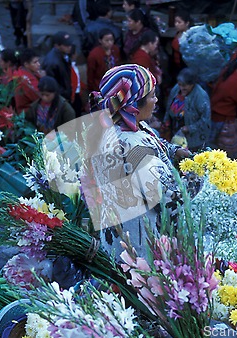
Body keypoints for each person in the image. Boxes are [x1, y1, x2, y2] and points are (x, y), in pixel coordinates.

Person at [87, 64, 190, 258]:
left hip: (117, 232)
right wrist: (199, 173)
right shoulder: (132, 145)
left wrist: (172, 150)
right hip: (137, 245)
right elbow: (169, 200)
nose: (156, 100)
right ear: (133, 104)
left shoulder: (114, 123)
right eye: (152, 96)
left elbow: (150, 144)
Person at [163, 68, 210, 151]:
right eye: (179, 84)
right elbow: (169, 105)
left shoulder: (201, 96)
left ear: (192, 84)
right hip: (174, 129)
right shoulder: (176, 89)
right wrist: (166, 120)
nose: (181, 88)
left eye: (184, 86)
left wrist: (189, 128)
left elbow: (205, 120)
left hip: (193, 138)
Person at [42, 31, 74, 103]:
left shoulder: (64, 54)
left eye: (70, 45)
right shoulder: (52, 62)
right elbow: (51, 84)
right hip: (59, 98)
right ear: (57, 45)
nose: (69, 47)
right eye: (66, 45)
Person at [87, 28, 121, 92]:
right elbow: (90, 75)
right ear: (100, 40)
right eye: (107, 40)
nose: (110, 43)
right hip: (100, 85)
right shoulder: (94, 55)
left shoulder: (115, 49)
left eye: (111, 40)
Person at [14, 48, 44, 114]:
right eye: (35, 62)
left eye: (38, 61)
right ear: (26, 64)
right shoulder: (26, 80)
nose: (39, 64)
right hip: (27, 112)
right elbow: (40, 98)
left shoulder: (22, 71)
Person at [170, 9, 192, 83]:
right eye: (175, 22)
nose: (176, 24)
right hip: (175, 66)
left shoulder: (190, 37)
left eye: (179, 22)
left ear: (187, 23)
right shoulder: (177, 34)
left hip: (184, 67)